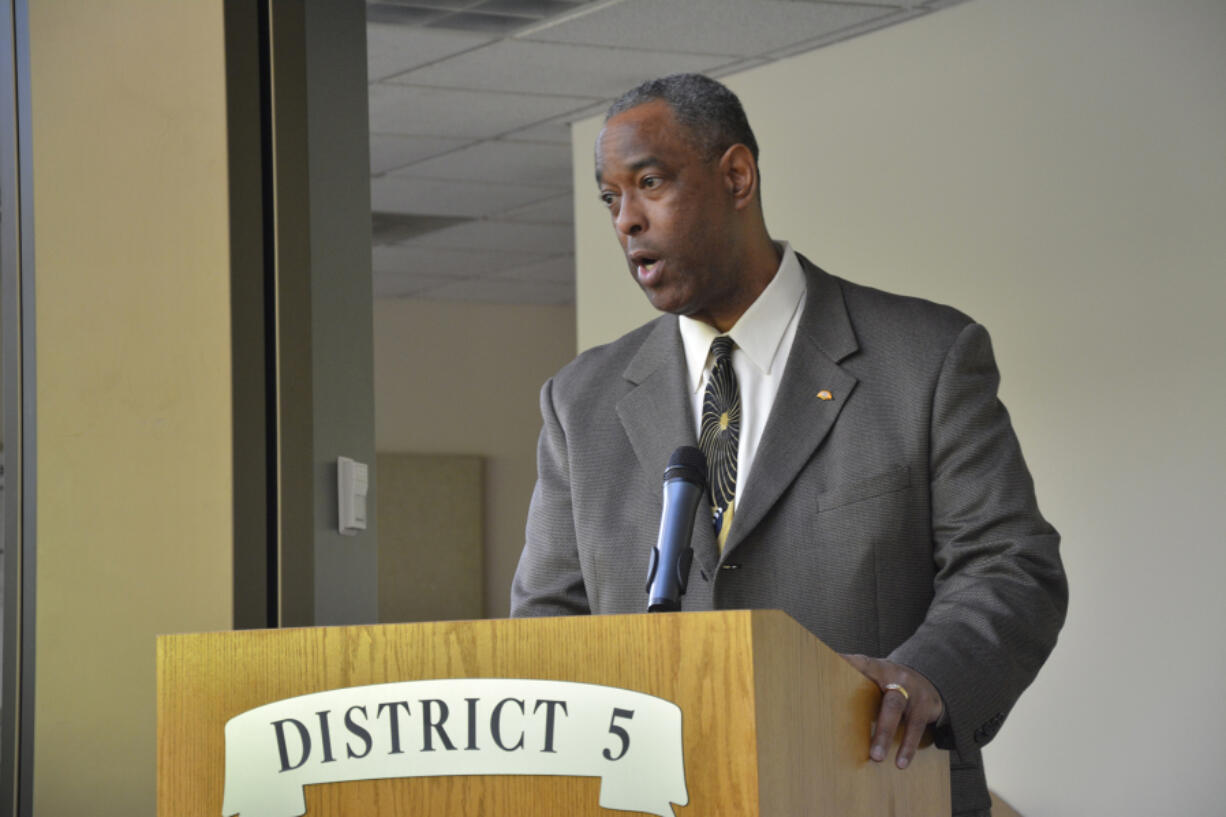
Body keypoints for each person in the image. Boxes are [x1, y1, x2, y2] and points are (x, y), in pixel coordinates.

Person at [510, 73, 1067, 817]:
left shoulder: (925, 359)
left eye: (649, 183)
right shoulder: (580, 402)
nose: (627, 221)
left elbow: (1009, 567)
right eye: (612, 199)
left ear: (736, 176)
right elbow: (546, 626)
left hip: (879, 792)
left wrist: (924, 679)